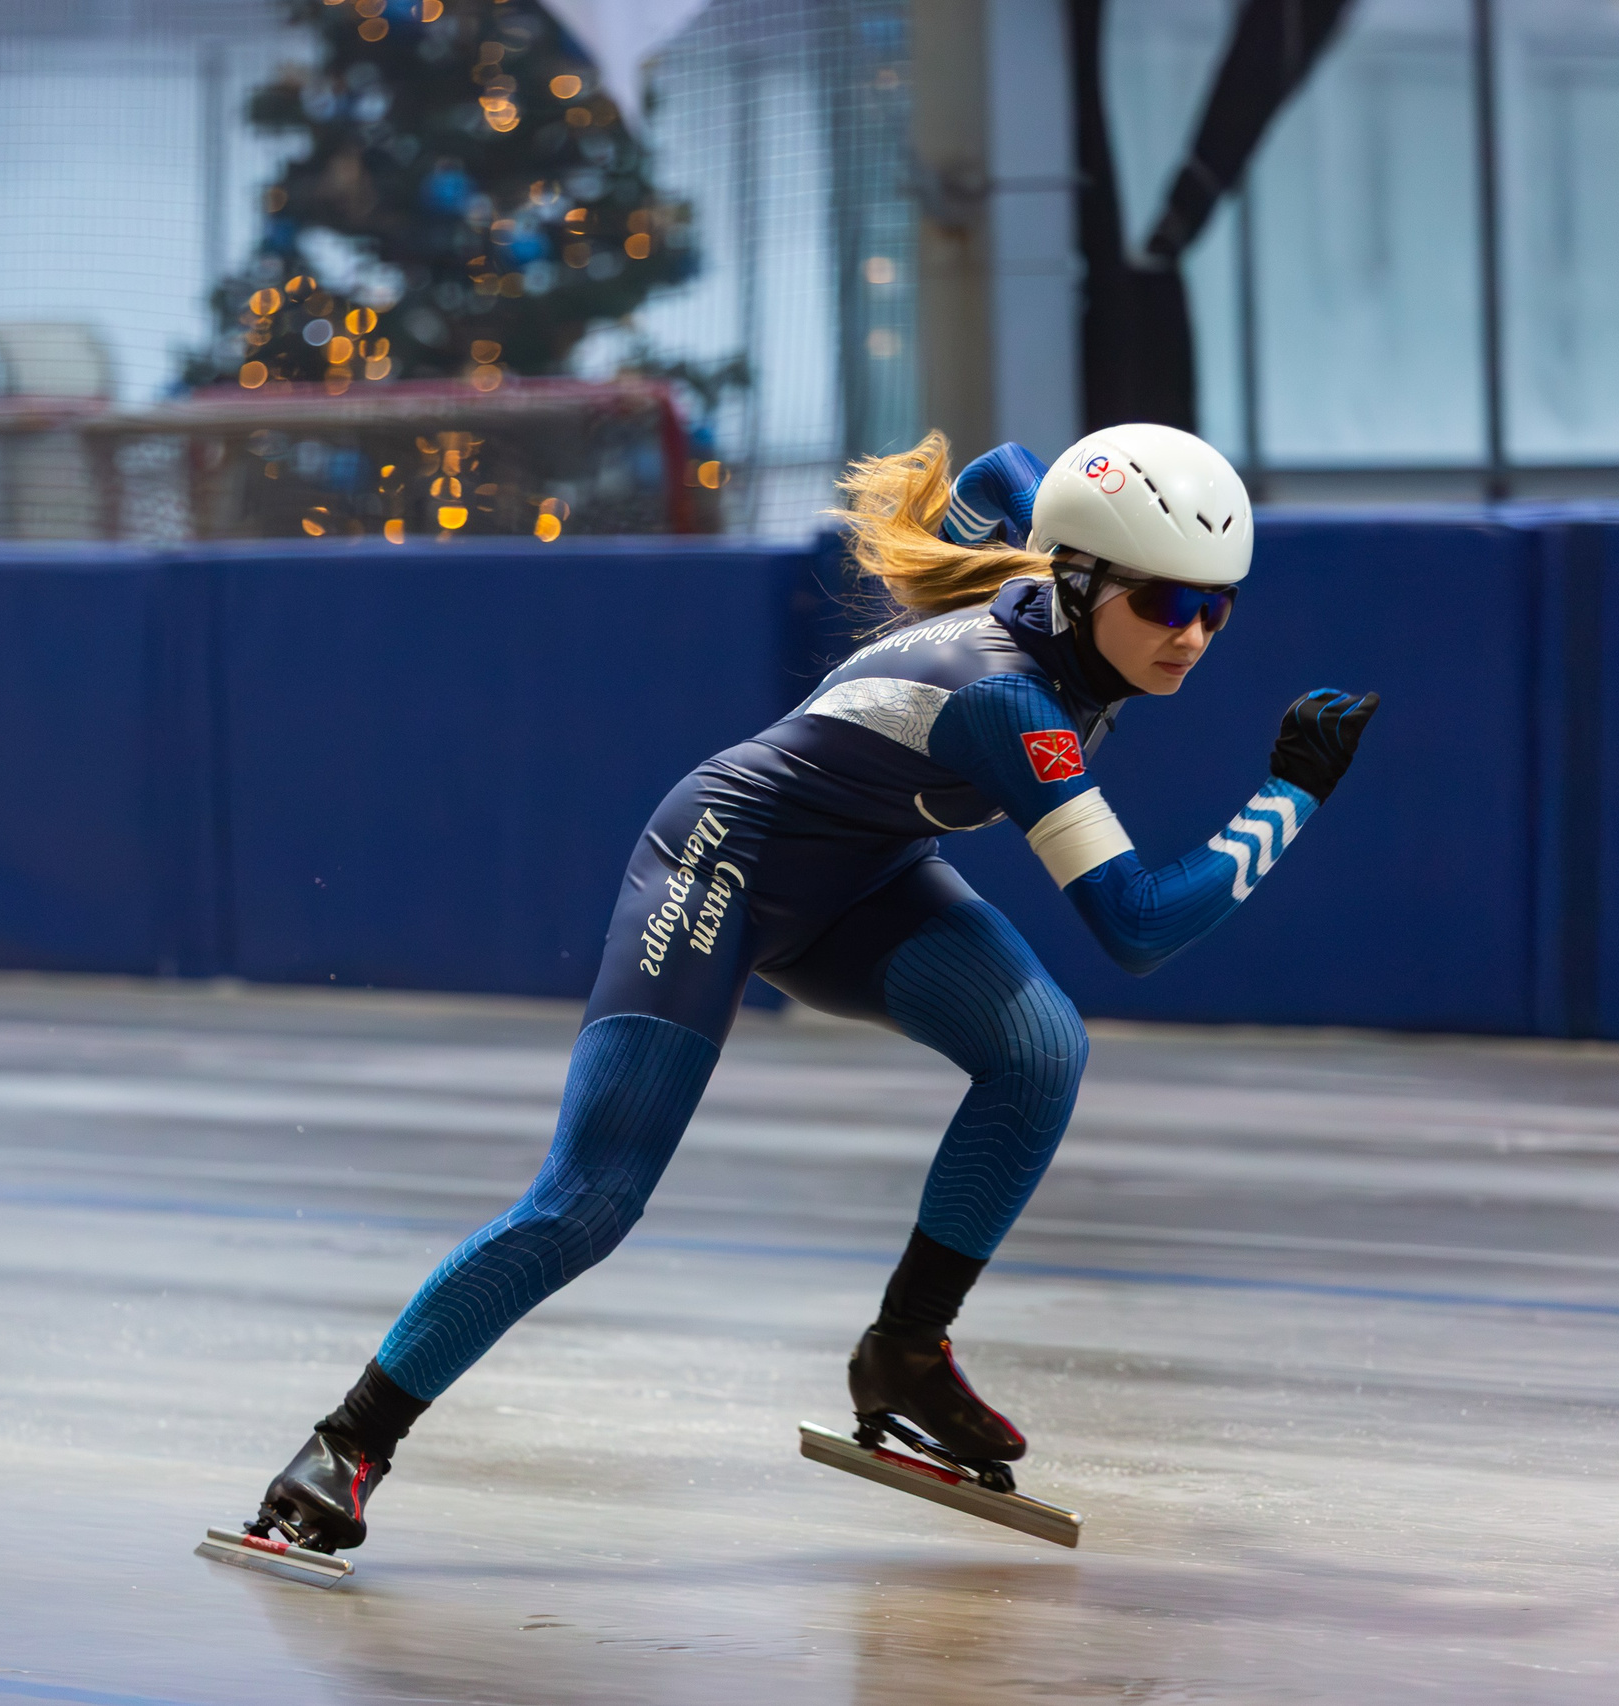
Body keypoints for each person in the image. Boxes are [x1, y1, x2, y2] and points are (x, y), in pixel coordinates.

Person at [235, 424, 1379, 1556]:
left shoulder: (1065, 579)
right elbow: (1135, 923)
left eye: (1216, 607)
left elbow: (997, 472)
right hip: (720, 865)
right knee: (589, 1199)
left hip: (865, 878)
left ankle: (907, 1352)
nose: (1190, 635)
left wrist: (980, 522)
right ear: (1076, 583)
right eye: (1165, 604)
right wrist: (1290, 794)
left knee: (1040, 1053)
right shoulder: (1007, 702)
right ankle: (342, 1444)